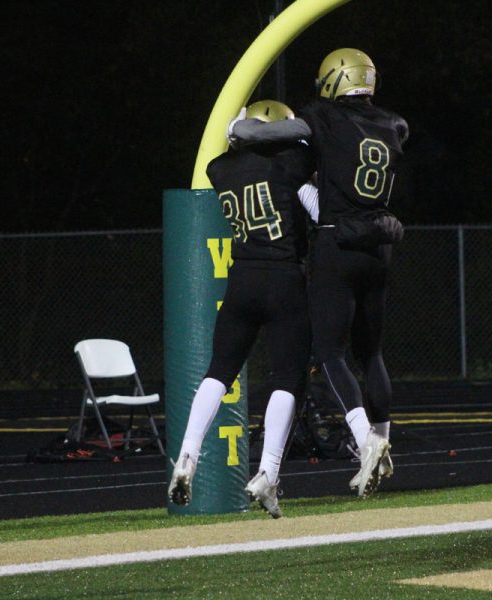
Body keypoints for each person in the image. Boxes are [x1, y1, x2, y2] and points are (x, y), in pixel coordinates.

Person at [231, 48, 408, 497]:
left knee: (328, 351)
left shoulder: (324, 117)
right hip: (380, 244)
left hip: (338, 242)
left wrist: (237, 127)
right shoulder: (393, 124)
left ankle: (366, 438)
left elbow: (268, 132)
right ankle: (384, 442)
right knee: (373, 353)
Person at [168, 100, 317, 518]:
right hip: (284, 277)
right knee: (287, 377)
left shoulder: (221, 168)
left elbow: (232, 152)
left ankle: (187, 455)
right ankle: (268, 471)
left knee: (218, 370)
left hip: (242, 279)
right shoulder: (293, 163)